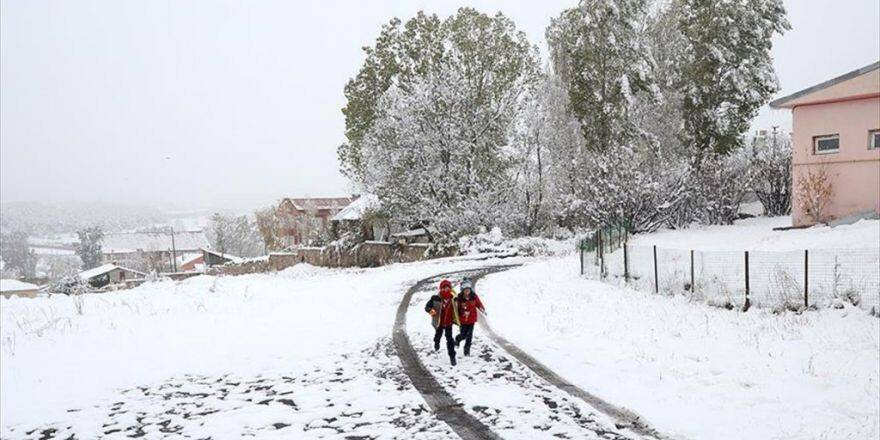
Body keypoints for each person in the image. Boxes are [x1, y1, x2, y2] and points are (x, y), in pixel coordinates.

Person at [424, 279, 459, 365]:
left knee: (450, 340)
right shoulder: (435, 298)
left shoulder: (454, 298)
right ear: (441, 289)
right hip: (439, 322)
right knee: (438, 335)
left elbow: (461, 307)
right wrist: (431, 311)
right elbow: (427, 307)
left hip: (449, 323)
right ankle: (436, 342)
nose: (445, 289)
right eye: (443, 288)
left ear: (450, 288)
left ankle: (452, 357)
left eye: (447, 288)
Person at [455, 278, 485, 356]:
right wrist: (463, 312)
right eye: (465, 289)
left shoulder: (474, 296)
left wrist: (482, 308)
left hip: (471, 320)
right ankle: (457, 339)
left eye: (468, 289)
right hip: (463, 320)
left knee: (469, 336)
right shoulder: (459, 298)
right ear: (462, 290)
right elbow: (457, 309)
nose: (467, 291)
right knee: (463, 335)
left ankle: (466, 351)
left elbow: (478, 303)